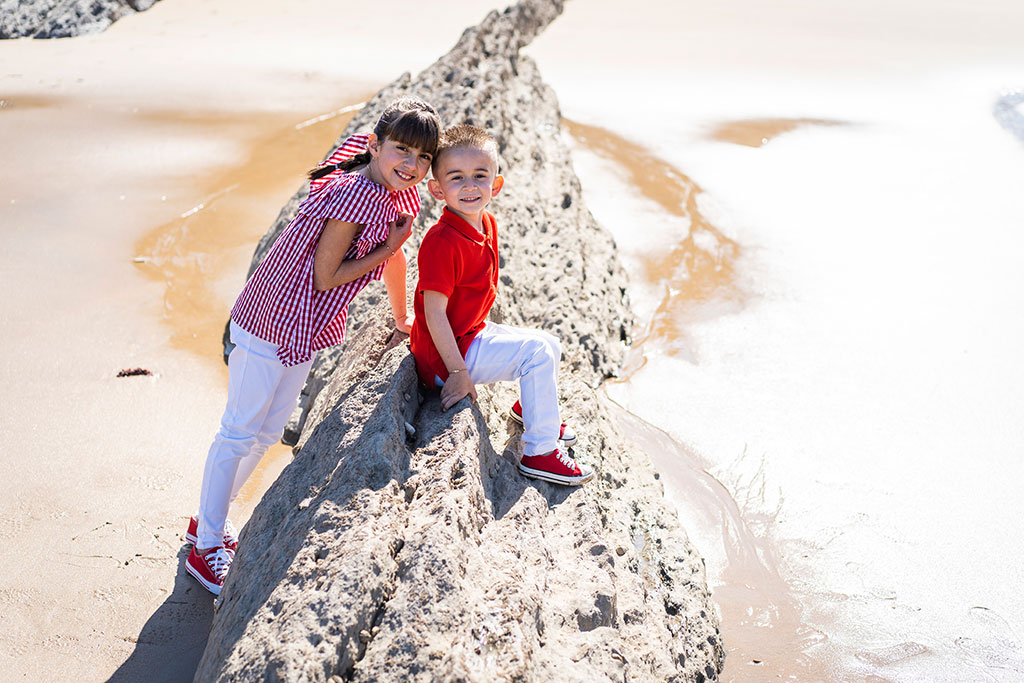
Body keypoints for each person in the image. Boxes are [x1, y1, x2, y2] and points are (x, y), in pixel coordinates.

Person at [184, 97, 442, 596]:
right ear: (375, 146)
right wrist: (388, 246)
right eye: (402, 150)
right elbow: (328, 276)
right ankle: (206, 546)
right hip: (270, 319)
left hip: (305, 329)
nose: (411, 165)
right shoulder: (355, 192)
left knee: (265, 434)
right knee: (239, 433)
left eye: (423, 158)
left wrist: (401, 317)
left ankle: (206, 524)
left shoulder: (393, 190)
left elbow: (394, 257)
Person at [409, 124, 594, 487]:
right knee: (536, 353)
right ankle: (539, 451)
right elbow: (433, 314)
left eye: (480, 176)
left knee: (549, 343)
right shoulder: (442, 241)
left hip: (470, 333)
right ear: (436, 188)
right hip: (444, 357)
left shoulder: (486, 223)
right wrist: (458, 373)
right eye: (456, 178)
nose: (469, 186)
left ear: (496, 184)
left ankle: (536, 409)